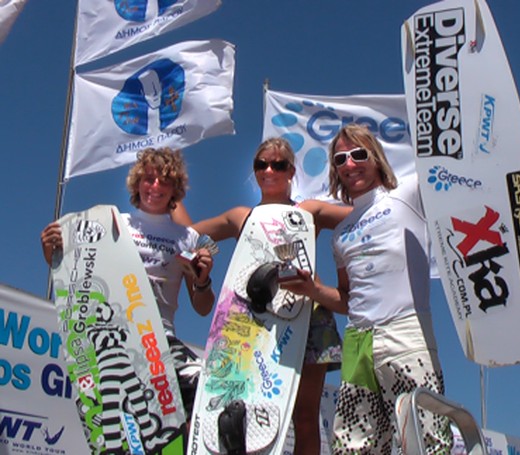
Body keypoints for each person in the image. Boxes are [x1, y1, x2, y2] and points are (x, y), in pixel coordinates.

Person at [172, 137, 350, 455]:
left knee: (305, 417)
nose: (269, 170)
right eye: (262, 164)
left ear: (291, 171)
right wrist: (172, 200)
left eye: (278, 165)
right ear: (254, 171)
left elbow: (364, 215)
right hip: (255, 322)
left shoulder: (308, 211)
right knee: (246, 407)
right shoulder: (241, 216)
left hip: (308, 317)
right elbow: (189, 237)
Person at [284, 124, 453, 454]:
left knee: (426, 438)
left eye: (358, 155)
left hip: (406, 331)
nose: (349, 164)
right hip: (357, 341)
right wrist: (313, 290)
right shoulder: (340, 234)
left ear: (376, 158)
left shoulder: (409, 194)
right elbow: (348, 299)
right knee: (354, 447)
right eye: (340, 159)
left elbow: (449, 161)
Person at [40, 147, 215, 425]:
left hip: (163, 339)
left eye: (164, 181)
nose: (155, 186)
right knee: (125, 427)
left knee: (203, 387)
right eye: (148, 178)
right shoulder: (111, 223)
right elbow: (75, 276)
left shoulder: (189, 238)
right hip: (116, 338)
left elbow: (203, 309)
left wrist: (203, 280)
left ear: (175, 190)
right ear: (137, 183)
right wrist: (53, 252)